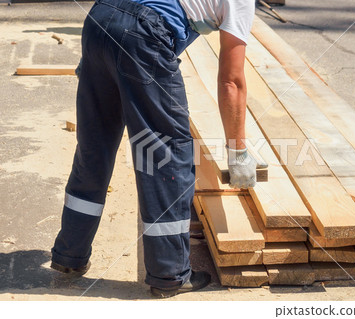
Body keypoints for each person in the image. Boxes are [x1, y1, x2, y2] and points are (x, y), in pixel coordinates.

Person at [51, 0, 259, 298]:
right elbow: (232, 81)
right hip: (143, 34)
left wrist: (100, 59)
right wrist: (237, 151)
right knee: (165, 156)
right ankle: (169, 274)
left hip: (100, 18)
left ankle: (69, 255)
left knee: (94, 147)